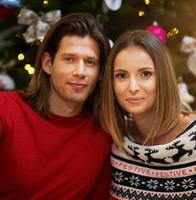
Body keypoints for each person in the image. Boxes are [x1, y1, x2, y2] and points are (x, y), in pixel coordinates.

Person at [100, 30, 196, 200]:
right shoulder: (120, 144)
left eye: (145, 74)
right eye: (121, 75)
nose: (132, 86)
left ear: (163, 78)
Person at [0, 13, 112, 199]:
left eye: (90, 62)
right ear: (48, 64)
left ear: (100, 73)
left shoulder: (105, 131)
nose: (80, 72)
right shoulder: (7, 109)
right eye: (69, 59)